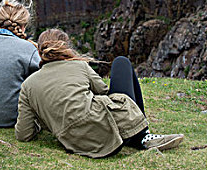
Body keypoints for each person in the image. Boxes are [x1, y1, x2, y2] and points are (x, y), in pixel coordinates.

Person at [15, 28, 184, 158]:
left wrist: (45, 120)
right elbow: (104, 91)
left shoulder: (28, 85)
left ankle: (138, 134)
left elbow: (23, 134)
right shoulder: (79, 66)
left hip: (74, 143)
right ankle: (142, 135)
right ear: (67, 48)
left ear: (39, 52)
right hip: (103, 128)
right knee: (121, 62)